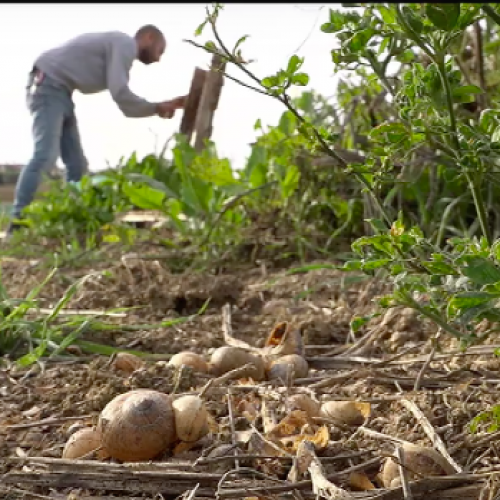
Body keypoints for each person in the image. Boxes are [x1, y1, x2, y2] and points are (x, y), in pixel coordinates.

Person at [7, 24, 186, 236]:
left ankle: (73, 220)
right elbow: (120, 94)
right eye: (160, 50)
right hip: (48, 86)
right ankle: (17, 223)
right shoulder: (125, 44)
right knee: (45, 155)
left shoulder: (119, 47)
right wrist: (156, 107)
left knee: (77, 165)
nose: (158, 59)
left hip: (60, 91)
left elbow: (121, 96)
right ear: (148, 37)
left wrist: (158, 106)